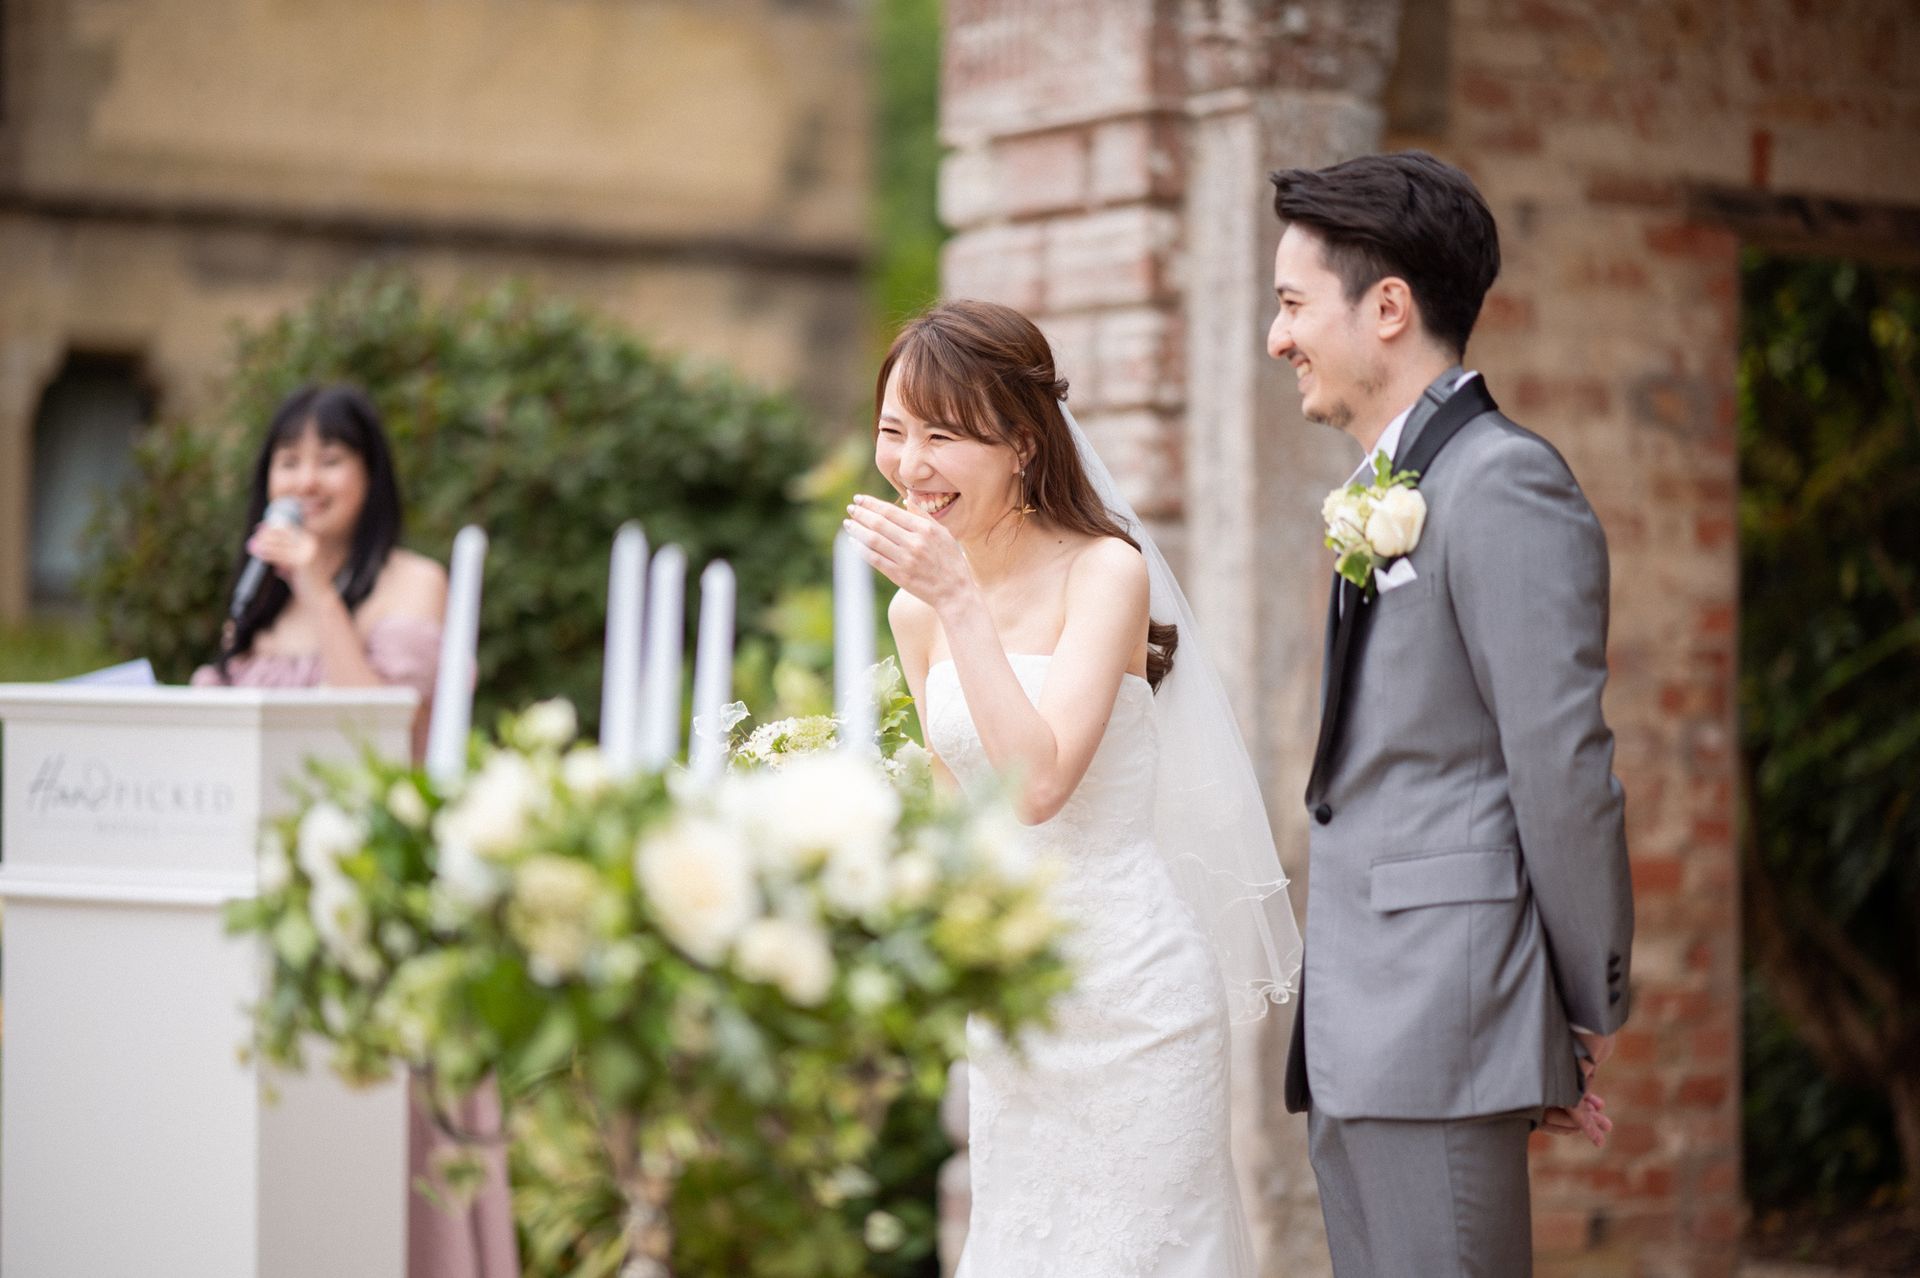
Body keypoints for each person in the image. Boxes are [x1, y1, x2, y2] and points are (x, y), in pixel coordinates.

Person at [842, 300, 1300, 1277]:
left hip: (1135, 994)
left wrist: (958, 598)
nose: (909, 463)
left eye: (941, 434)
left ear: (1019, 442)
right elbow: (961, 820)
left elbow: (1038, 781)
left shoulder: (1106, 572)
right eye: (892, 431)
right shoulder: (913, 615)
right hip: (1017, 1000)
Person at [1268, 151, 1633, 1276]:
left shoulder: (1502, 482)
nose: (1277, 337)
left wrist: (1575, 1013)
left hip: (1442, 1021)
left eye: (1291, 304)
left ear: (1388, 308)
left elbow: (1561, 766)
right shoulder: (1396, 486)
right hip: (1363, 1025)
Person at [192, 383, 518, 1278]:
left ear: (370, 474)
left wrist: (316, 586)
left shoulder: (414, 581)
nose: (307, 477)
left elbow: (377, 727)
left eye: (329, 458)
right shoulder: (254, 598)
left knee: (386, 1129)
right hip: (261, 903)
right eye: (289, 460)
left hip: (379, 894)